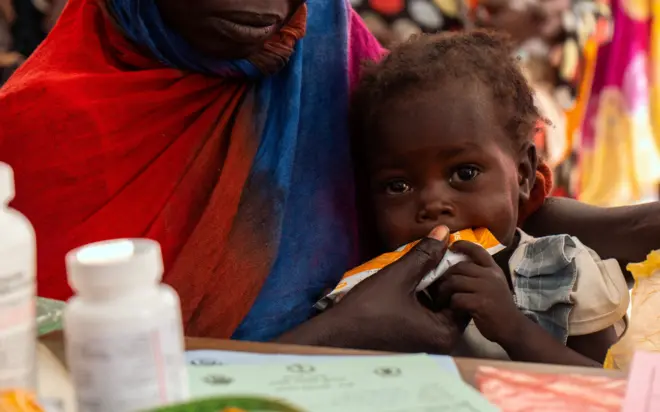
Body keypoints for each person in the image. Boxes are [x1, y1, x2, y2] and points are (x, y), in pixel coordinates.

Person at [0, 0, 657, 351]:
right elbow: (75, 381)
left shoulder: (323, 40)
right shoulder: (37, 133)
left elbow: (476, 200)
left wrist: (638, 223)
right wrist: (333, 337)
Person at [343, 31, 628, 364]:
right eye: (398, 186)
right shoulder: (377, 289)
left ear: (523, 174)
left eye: (464, 174)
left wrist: (514, 330)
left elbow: (617, 391)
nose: (433, 204)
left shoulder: (564, 273)